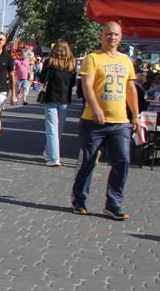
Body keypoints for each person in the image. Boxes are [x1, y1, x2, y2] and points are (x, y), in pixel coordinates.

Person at [70, 21, 139, 220]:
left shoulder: (126, 60)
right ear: (101, 36)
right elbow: (87, 85)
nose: (112, 38)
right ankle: (79, 200)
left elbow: (130, 88)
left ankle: (113, 203)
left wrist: (135, 114)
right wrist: (96, 108)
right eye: (108, 34)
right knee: (88, 162)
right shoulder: (93, 58)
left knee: (123, 161)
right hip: (93, 121)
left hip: (120, 122)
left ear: (121, 37)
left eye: (116, 34)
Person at [39, 39, 77, 167]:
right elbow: (72, 83)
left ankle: (54, 158)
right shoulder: (72, 64)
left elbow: (43, 78)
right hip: (65, 98)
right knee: (59, 128)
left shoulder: (50, 62)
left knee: (51, 128)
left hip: (51, 97)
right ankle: (49, 151)